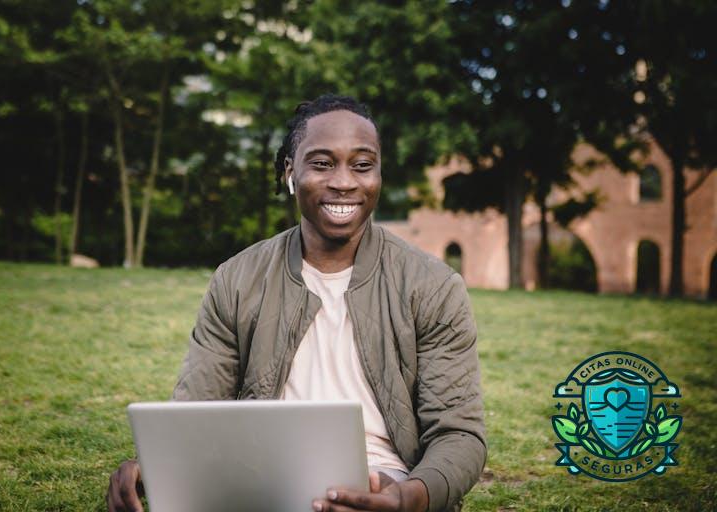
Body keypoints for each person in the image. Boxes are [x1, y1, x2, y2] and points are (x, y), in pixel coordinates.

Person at [106, 94, 486, 512]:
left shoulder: (433, 286)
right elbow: (195, 410)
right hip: (259, 483)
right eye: (322, 164)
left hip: (385, 483)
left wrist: (407, 498)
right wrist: (153, 466)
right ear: (290, 171)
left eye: (362, 165)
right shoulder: (237, 279)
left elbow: (459, 436)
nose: (344, 182)